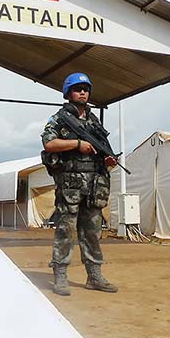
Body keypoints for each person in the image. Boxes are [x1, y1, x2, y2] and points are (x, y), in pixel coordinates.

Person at [41, 72, 118, 296]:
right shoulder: (60, 119)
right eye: (77, 88)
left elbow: (102, 150)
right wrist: (77, 143)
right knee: (66, 231)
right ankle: (61, 275)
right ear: (68, 93)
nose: (83, 92)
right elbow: (49, 143)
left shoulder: (94, 122)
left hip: (93, 185)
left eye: (85, 88)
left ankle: (94, 276)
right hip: (71, 185)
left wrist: (108, 160)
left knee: (92, 232)